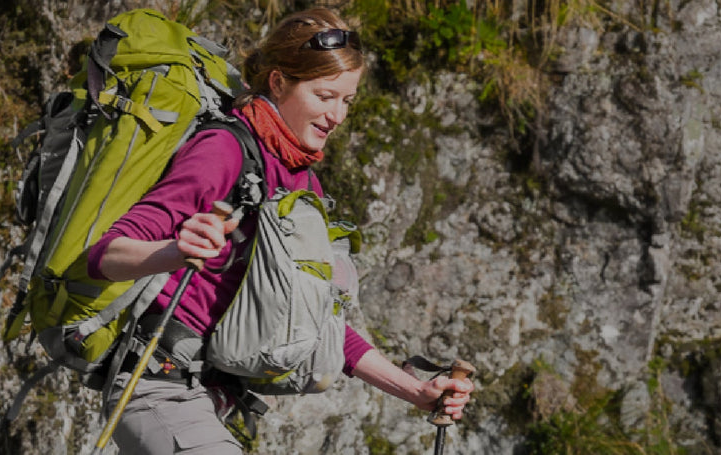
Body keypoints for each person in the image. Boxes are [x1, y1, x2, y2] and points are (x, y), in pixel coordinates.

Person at [85, 8, 475, 454]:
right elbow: (103, 255)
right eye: (325, 96)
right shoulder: (223, 150)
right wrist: (172, 251)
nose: (337, 115)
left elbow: (322, 321)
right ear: (277, 83)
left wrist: (414, 391)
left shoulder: (302, 180)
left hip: (210, 402)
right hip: (159, 388)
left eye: (347, 100)